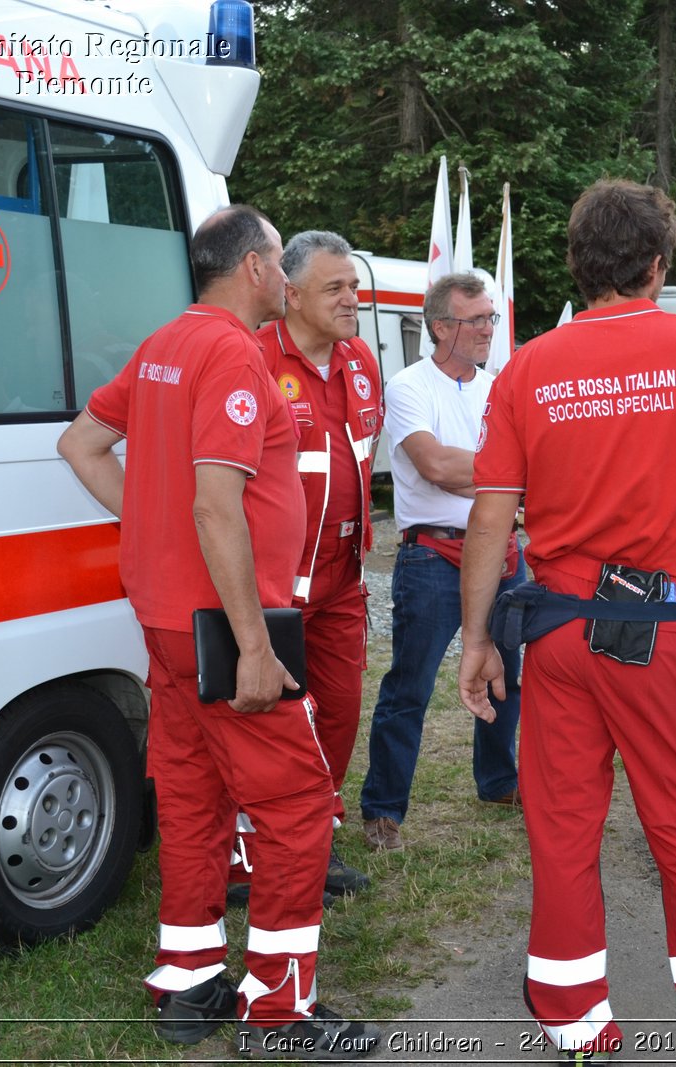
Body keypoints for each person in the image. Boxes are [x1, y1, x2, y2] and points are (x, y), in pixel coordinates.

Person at [56, 206, 380, 1058]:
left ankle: (187, 980)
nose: (283, 276)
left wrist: (148, 529)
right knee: (300, 806)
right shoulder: (236, 353)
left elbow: (83, 443)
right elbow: (215, 502)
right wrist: (256, 643)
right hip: (222, 626)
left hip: (164, 621)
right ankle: (278, 1013)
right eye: (280, 263)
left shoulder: (164, 343)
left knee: (195, 801)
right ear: (254, 269)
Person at [457, 179, 676, 1064]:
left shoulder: (527, 365)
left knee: (562, 825)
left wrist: (477, 641)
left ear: (578, 262)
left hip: (553, 629)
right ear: (658, 265)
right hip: (659, 630)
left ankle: (574, 1013)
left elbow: (491, 515)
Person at [230, 230, 381, 903]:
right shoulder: (253, 359)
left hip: (342, 578)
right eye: (336, 288)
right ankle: (247, 851)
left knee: (341, 710)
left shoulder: (361, 364)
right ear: (289, 294)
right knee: (272, 720)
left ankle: (315, 834)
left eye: (354, 287)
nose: (352, 299)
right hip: (274, 584)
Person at [358, 272, 525, 852]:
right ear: (439, 326)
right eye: (475, 320)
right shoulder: (407, 385)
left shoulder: (501, 385)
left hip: (500, 547)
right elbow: (435, 465)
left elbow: (465, 466)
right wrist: (512, 473)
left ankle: (500, 781)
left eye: (489, 319)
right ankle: (383, 810)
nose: (486, 330)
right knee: (410, 684)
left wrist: (494, 473)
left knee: (508, 671)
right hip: (432, 553)